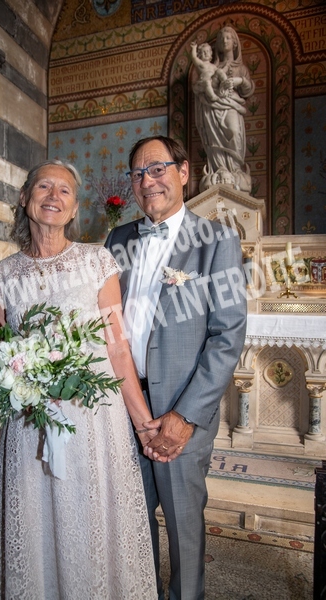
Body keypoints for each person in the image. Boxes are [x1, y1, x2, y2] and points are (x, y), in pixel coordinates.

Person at [0, 159, 158, 599]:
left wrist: (143, 424)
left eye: (64, 191)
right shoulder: (2, 276)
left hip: (95, 421)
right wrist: (29, 390)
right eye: (44, 187)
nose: (53, 196)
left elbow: (117, 348)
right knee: (36, 522)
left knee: (91, 523)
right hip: (31, 421)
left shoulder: (97, 262)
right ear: (25, 198)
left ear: (74, 209)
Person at [105, 135, 247, 600]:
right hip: (124, 404)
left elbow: (227, 336)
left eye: (158, 169)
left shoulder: (217, 239)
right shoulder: (118, 239)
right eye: (138, 173)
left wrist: (184, 417)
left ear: (184, 172)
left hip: (181, 408)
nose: (148, 181)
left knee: (183, 523)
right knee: (131, 517)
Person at [193, 26, 255, 193]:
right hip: (211, 107)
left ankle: (235, 169)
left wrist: (239, 81)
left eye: (228, 38)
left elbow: (248, 89)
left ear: (235, 43)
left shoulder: (241, 68)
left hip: (232, 104)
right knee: (213, 138)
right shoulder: (210, 66)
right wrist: (202, 87)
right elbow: (198, 87)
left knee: (234, 131)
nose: (224, 41)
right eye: (221, 38)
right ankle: (218, 169)